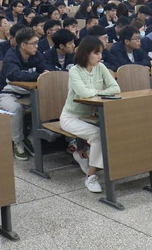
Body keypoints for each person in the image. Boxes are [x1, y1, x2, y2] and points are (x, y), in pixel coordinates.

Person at [60, 35, 121, 193]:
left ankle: (84, 155)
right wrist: (102, 92)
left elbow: (116, 88)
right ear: (86, 53)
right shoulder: (74, 71)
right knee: (98, 135)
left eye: (101, 53)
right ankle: (91, 177)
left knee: (116, 130)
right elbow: (83, 93)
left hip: (91, 116)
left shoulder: (101, 67)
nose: (100, 56)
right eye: (96, 53)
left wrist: (96, 92)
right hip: (71, 117)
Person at [0, 27, 46, 160]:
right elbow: (14, 75)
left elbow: (44, 69)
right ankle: (17, 142)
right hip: (6, 93)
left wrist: (45, 73)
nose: (36, 46)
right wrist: (38, 76)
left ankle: (31, 138)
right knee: (15, 108)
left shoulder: (36, 54)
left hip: (28, 93)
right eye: (33, 43)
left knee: (45, 105)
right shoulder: (11, 55)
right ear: (23, 45)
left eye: (37, 42)